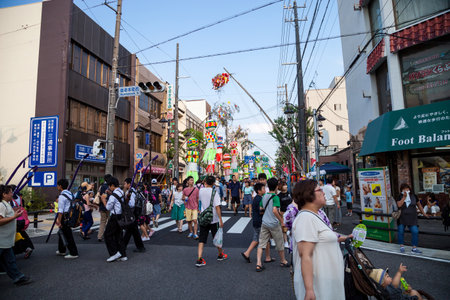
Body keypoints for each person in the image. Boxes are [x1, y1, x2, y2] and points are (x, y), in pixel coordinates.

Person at [291, 179, 349, 300]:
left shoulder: (316, 215)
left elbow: (322, 239)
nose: (323, 192)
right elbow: (305, 255)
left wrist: (343, 238)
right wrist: (309, 290)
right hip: (320, 288)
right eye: (319, 189)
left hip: (327, 284)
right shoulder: (306, 218)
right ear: (308, 195)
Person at [255, 177, 289, 272]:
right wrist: (281, 220)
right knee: (279, 243)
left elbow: (261, 208)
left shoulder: (264, 196)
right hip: (274, 223)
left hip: (264, 223)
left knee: (261, 243)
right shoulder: (276, 197)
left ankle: (258, 263)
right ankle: (283, 261)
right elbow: (275, 210)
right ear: (276, 187)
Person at [0, 185, 31, 285]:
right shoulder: (1, 205)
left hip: (5, 240)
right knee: (10, 260)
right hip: (1, 240)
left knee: (10, 260)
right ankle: (18, 277)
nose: (12, 194)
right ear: (4, 194)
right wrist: (14, 217)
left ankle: (18, 277)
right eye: (10, 192)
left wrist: (14, 213)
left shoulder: (5, 204)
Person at [196, 175, 227, 267]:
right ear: (213, 183)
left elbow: (199, 201)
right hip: (213, 218)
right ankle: (220, 255)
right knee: (217, 237)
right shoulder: (214, 192)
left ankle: (199, 259)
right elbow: (217, 207)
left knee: (202, 239)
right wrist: (221, 220)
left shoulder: (201, 191)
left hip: (204, 217)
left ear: (205, 182)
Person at [241, 183, 273, 264]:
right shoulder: (259, 199)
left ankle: (247, 253)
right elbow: (261, 211)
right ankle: (266, 257)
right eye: (263, 189)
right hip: (260, 222)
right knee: (263, 239)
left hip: (256, 221)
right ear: (259, 191)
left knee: (257, 239)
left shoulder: (257, 198)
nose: (265, 190)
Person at [102, 177, 127, 262]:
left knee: (107, 235)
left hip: (115, 217)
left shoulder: (113, 196)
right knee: (118, 236)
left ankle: (114, 253)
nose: (109, 188)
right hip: (121, 216)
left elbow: (108, 207)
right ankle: (123, 254)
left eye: (109, 186)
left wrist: (103, 200)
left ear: (112, 185)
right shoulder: (121, 192)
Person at [397, 183, 427, 254]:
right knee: (401, 231)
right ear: (401, 190)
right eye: (404, 189)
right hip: (402, 217)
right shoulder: (400, 196)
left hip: (412, 218)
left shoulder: (414, 196)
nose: (406, 190)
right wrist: (404, 197)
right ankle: (401, 246)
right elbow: (399, 205)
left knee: (415, 231)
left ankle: (414, 248)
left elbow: (419, 205)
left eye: (407, 189)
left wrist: (424, 213)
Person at [54, 179, 79, 259]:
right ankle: (61, 250)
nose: (57, 187)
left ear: (60, 186)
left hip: (64, 217)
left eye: (57, 185)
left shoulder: (61, 196)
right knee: (62, 232)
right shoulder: (70, 194)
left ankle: (73, 253)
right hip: (70, 216)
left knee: (68, 234)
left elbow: (60, 210)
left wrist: (58, 220)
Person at [122, 178, 146, 253]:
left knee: (130, 229)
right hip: (134, 212)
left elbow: (132, 204)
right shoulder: (134, 190)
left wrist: (126, 202)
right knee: (133, 230)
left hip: (132, 212)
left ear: (129, 184)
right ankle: (139, 246)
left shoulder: (131, 192)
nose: (124, 185)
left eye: (125, 183)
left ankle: (123, 246)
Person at [10, 189, 34, 259]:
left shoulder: (11, 200)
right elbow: (23, 207)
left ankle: (25, 248)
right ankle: (27, 247)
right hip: (20, 219)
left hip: (14, 220)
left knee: (16, 236)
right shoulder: (19, 198)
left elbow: (13, 209)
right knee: (20, 234)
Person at [98, 174, 112, 242]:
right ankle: (109, 235)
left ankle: (99, 236)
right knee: (110, 221)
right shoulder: (109, 187)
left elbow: (100, 196)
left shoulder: (101, 186)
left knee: (102, 222)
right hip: (108, 206)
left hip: (101, 206)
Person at [278, 182, 292, 248]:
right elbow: (279, 207)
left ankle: (290, 240)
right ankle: (286, 241)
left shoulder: (290, 193)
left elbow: (293, 201)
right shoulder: (279, 196)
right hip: (283, 213)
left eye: (286, 185)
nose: (286, 186)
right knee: (284, 229)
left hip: (291, 212)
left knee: (291, 227)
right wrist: (280, 214)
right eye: (284, 185)